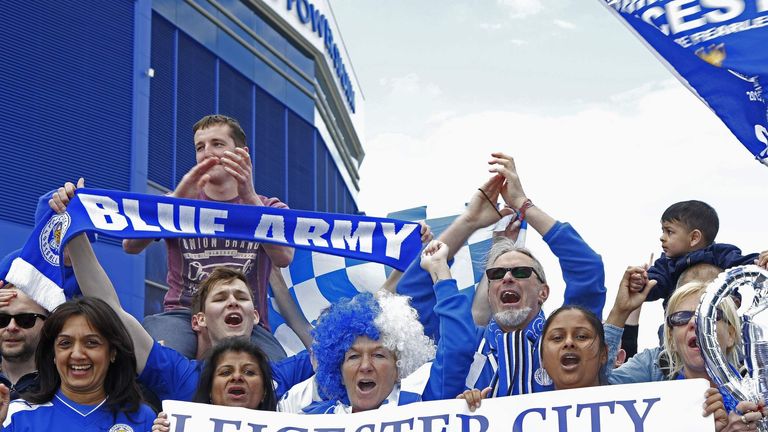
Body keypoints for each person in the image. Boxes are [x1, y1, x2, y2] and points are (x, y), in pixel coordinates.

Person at [397, 153, 606, 396]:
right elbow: (408, 303)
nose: (507, 278)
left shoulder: (567, 340)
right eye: (496, 274)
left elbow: (587, 268)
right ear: (489, 291)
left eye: (520, 271)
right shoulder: (467, 346)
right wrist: (469, 221)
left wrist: (524, 205)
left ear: (543, 291)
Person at [122, 114, 294, 361]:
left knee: (277, 379)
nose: (207, 153)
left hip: (244, 319)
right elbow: (130, 245)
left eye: (217, 144)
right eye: (200, 147)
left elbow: (284, 257)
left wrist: (250, 199)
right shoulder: (178, 201)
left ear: (242, 153)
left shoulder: (269, 207)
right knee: (157, 366)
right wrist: (174, 203)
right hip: (182, 314)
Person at [302, 240, 475, 414]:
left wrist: (440, 270)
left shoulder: (418, 402)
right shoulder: (318, 418)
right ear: (339, 373)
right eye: (353, 357)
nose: (365, 366)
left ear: (399, 369)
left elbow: (457, 348)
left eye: (378, 355)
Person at [0, 297, 155, 431]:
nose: (77, 354)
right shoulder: (16, 415)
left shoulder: (142, 419)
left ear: (113, 352)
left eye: (91, 343)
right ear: (53, 354)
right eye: (65, 343)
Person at [646, 200, 759, 309]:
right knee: (662, 329)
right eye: (663, 231)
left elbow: (745, 265)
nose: (662, 238)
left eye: (669, 231)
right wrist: (641, 281)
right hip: (679, 321)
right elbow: (653, 286)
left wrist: (762, 261)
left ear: (694, 238)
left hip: (721, 318)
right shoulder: (665, 266)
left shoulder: (719, 255)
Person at [152, 337, 277, 431]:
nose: (237, 377)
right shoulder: (176, 425)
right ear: (210, 391)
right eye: (226, 372)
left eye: (249, 372)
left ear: (264, 391)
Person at [0, 284, 48, 400]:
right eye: (2, 319)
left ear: (47, 324)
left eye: (26, 319)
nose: (11, 327)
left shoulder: (65, 384)